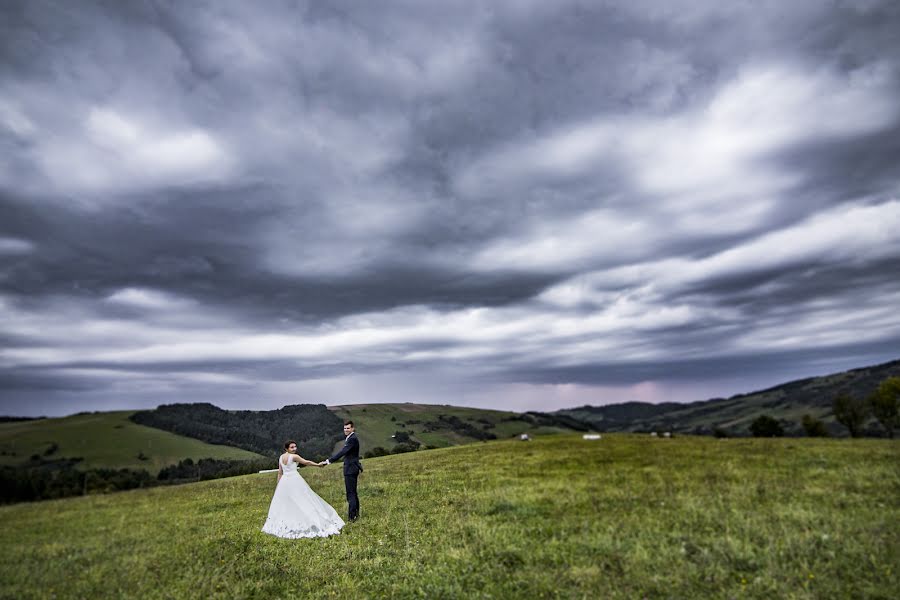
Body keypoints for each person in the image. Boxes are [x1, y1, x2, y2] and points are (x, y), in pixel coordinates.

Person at [261, 440, 345, 538]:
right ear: (286, 449)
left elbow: (280, 473)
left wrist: (279, 485)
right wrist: (318, 465)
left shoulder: (281, 457)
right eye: (292, 447)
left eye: (295, 446)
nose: (295, 449)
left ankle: (293, 522)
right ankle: (307, 521)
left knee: (289, 503)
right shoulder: (294, 457)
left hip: (285, 482)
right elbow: (306, 462)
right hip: (294, 480)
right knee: (304, 499)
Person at [320, 421, 362, 521]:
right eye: (345, 428)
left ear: (352, 428)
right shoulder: (351, 438)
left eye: (348, 428)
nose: (346, 430)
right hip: (353, 467)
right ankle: (356, 514)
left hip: (350, 468)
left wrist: (328, 461)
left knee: (350, 493)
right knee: (353, 493)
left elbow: (343, 452)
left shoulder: (352, 439)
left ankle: (352, 518)